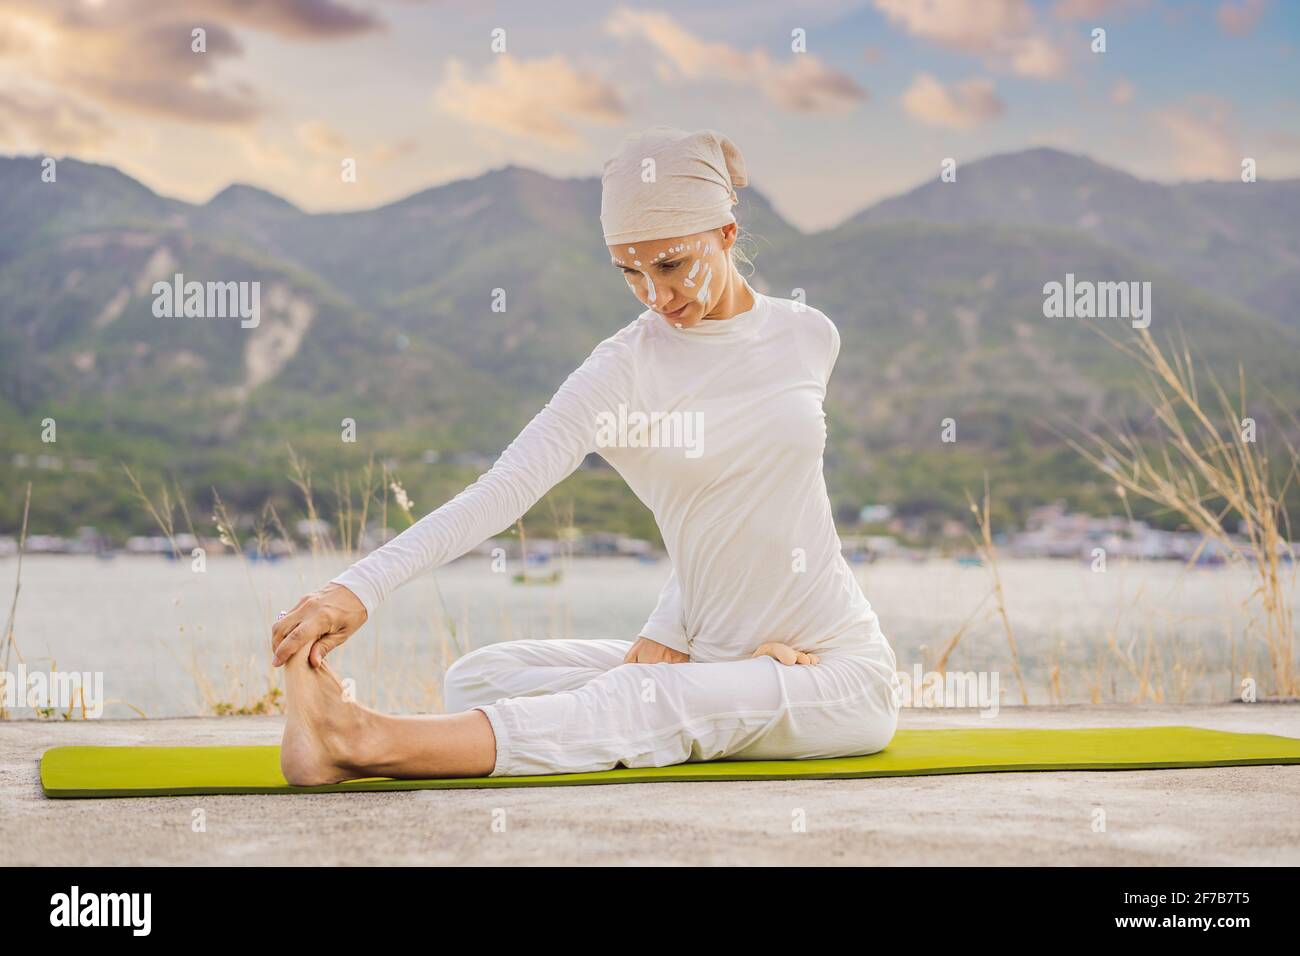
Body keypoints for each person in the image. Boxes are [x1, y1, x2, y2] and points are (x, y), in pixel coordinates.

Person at [271, 126, 902, 785]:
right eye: (630, 272)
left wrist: (680, 627)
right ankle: (726, 705)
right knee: (480, 677)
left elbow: (765, 497)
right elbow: (504, 487)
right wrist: (357, 588)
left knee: (640, 697)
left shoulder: (808, 335)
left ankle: (361, 739)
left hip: (835, 668)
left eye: (668, 265)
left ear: (726, 233)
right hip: (716, 661)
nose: (655, 296)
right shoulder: (623, 370)